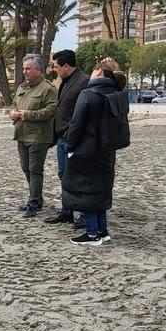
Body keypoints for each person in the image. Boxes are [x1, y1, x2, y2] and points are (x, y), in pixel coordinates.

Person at [62, 58, 130, 246]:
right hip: (107, 149)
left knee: (87, 191)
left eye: (93, 69)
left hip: (86, 149)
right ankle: (102, 230)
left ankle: (92, 234)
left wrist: (70, 147)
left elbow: (76, 124)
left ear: (99, 71)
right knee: (101, 190)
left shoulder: (88, 94)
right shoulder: (117, 94)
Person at [44, 49, 89, 226]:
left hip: (75, 139)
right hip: (62, 138)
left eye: (56, 66)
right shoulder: (65, 81)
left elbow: (84, 112)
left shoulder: (84, 82)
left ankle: (86, 212)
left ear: (67, 66)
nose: (55, 69)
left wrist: (72, 133)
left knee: (79, 176)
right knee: (64, 175)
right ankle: (67, 210)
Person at [11, 54, 58, 218]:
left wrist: (28, 115)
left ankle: (33, 203)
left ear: (39, 70)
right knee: (26, 168)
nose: (24, 71)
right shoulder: (22, 87)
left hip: (38, 136)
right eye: (23, 68)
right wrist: (12, 113)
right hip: (21, 134)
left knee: (35, 170)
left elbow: (51, 111)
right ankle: (37, 199)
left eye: (28, 68)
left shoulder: (48, 88)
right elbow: (14, 104)